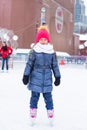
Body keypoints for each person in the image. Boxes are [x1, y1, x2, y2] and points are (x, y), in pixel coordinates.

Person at [22, 25, 61, 124]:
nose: (43, 41)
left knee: (48, 98)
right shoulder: (34, 51)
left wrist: (57, 76)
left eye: (45, 39)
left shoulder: (51, 52)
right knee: (34, 97)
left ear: (48, 40)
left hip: (47, 78)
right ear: (38, 40)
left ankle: (50, 113)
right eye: (41, 39)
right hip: (35, 78)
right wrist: (26, 75)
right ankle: (33, 113)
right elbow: (29, 64)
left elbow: (55, 65)